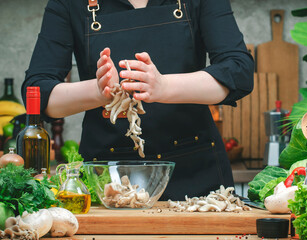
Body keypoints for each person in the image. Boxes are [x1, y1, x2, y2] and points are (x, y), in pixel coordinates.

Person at [22, 0, 254, 200]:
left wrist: (163, 87)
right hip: (108, 183)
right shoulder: (70, 4)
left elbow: (239, 71)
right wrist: (97, 90)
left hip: (197, 179)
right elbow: (36, 91)